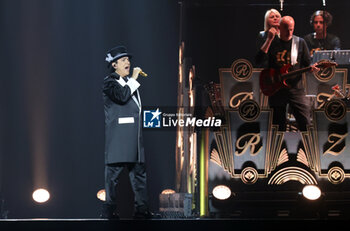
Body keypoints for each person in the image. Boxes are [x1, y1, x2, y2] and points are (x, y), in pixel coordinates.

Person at [101, 45, 153, 219]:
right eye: (123, 60)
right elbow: (122, 97)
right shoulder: (109, 82)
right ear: (114, 65)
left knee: (139, 175)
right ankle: (109, 210)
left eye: (128, 59)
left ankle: (142, 210)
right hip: (119, 138)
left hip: (134, 139)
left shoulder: (130, 83)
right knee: (112, 176)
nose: (128, 62)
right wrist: (135, 78)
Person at [256, 16, 318, 131]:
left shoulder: (299, 42)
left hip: (295, 89)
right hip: (276, 90)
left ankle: (308, 147)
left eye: (291, 29)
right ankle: (280, 148)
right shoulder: (272, 42)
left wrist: (312, 69)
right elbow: (258, 61)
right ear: (279, 28)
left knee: (306, 123)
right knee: (278, 126)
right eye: (286, 29)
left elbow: (307, 64)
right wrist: (269, 40)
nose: (289, 32)